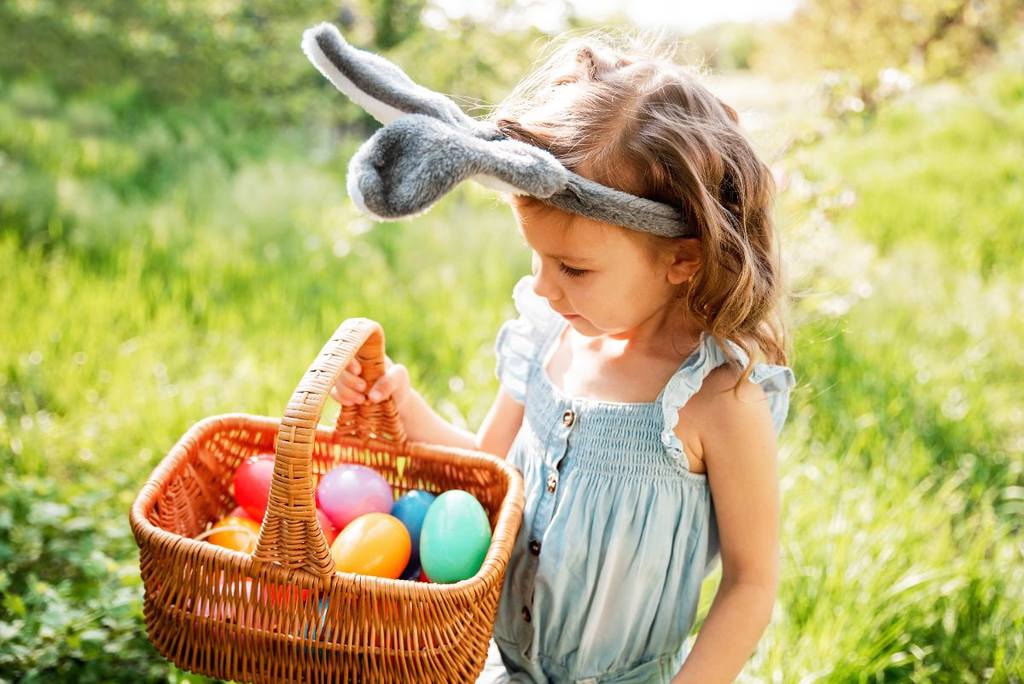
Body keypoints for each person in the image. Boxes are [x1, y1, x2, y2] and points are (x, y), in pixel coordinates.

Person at [330, 28, 796, 684]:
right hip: (496, 667)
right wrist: (402, 407)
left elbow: (751, 583)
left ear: (682, 259)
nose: (544, 289)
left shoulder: (716, 400)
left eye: (573, 268)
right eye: (538, 258)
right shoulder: (548, 339)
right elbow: (483, 476)